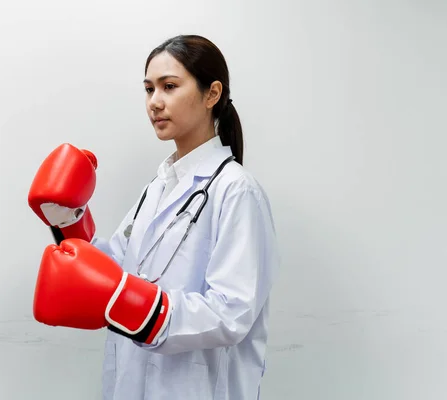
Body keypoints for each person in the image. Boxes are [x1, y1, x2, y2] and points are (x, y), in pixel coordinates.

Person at [27, 34, 280, 399]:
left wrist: (139, 307)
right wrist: (68, 221)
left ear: (212, 94)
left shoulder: (237, 190)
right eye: (148, 89)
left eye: (169, 86)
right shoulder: (160, 186)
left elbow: (232, 312)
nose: (155, 103)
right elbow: (116, 269)